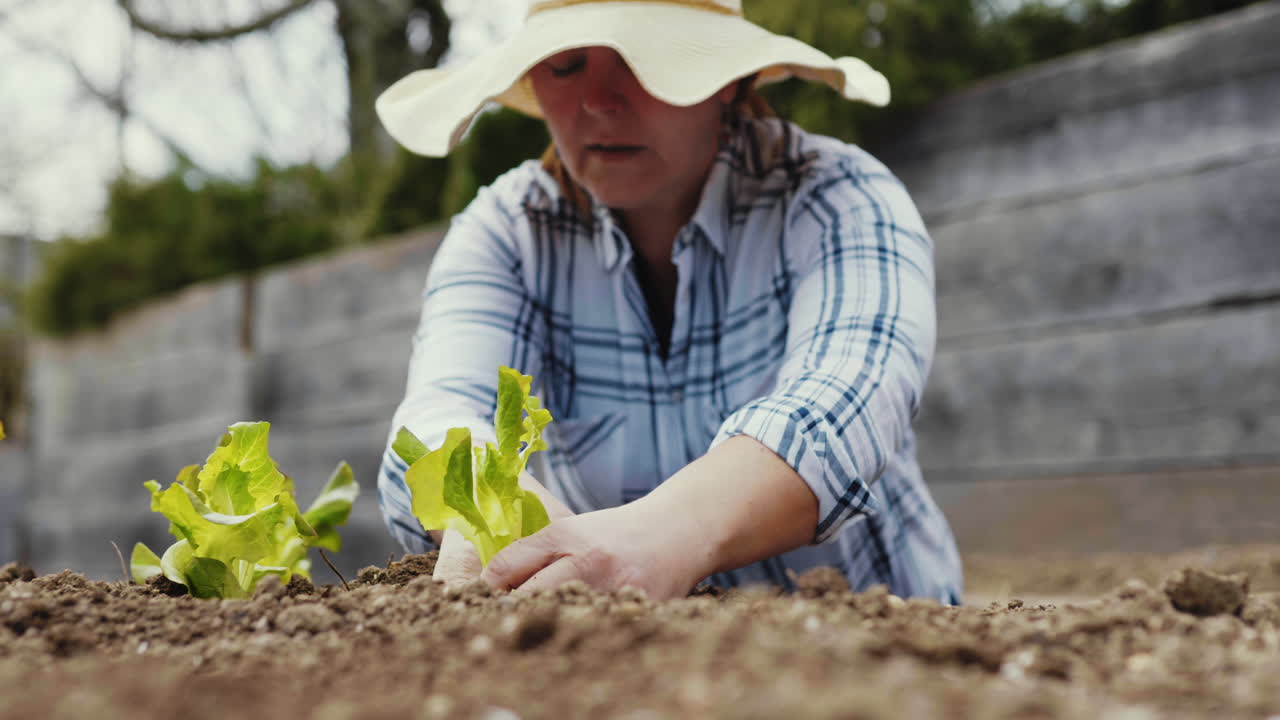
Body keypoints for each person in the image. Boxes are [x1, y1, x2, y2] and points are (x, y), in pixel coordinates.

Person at [374, 0, 963, 603]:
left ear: (729, 81)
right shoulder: (508, 232)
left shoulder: (837, 196)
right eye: (567, 65)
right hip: (641, 673)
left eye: (641, 62)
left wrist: (662, 537)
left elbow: (844, 404)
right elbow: (441, 410)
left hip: (887, 653)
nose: (600, 101)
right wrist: (493, 503)